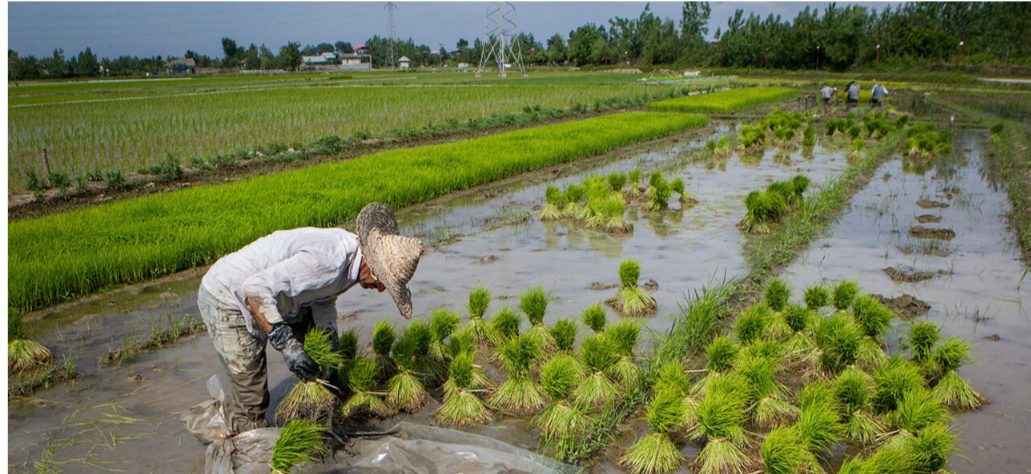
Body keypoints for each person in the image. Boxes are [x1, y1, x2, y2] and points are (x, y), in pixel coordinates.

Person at [197, 202, 424, 435]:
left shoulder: (351, 263)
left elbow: (323, 296)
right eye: (383, 283)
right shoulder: (329, 259)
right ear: (373, 267)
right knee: (251, 392)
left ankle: (314, 405)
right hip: (227, 296)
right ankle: (245, 444)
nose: (380, 289)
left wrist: (329, 338)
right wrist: (284, 341)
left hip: (275, 295)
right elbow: (254, 290)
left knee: (315, 349)